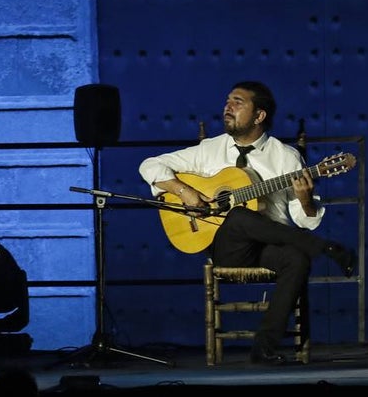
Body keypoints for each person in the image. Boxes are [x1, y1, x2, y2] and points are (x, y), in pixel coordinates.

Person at [138, 80, 356, 365]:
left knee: (297, 259)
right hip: (228, 247)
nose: (227, 107)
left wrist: (305, 200)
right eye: (228, 101)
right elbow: (149, 165)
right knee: (238, 215)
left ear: (259, 115)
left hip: (268, 245)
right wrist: (185, 191)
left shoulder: (286, 156)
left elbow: (305, 220)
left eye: (238, 102)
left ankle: (263, 348)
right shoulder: (209, 149)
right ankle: (328, 248)